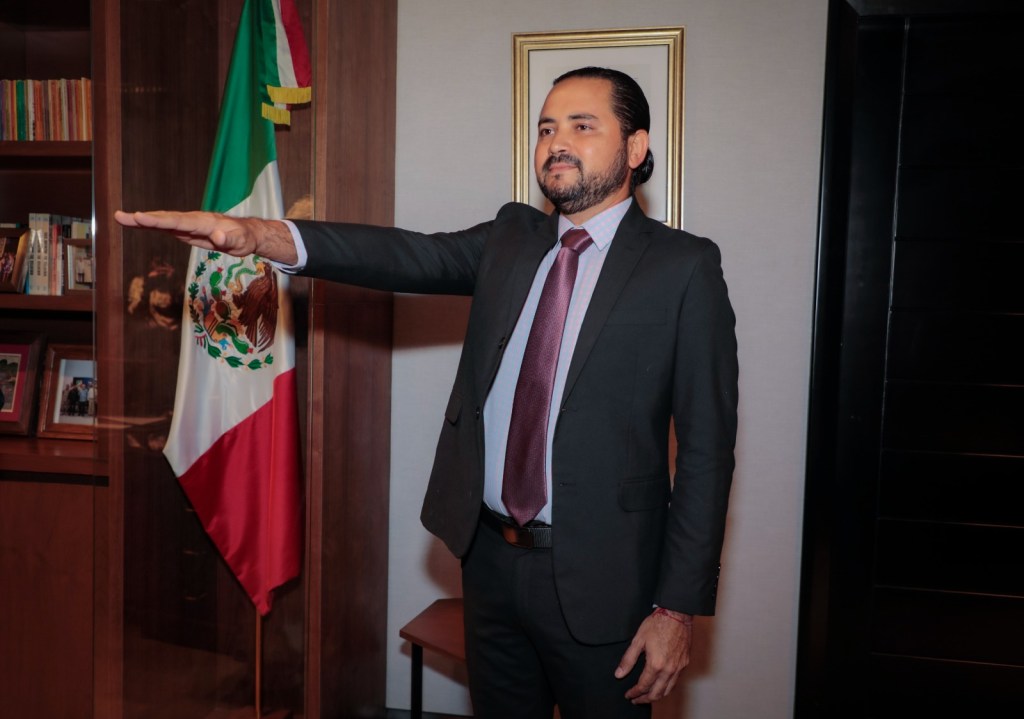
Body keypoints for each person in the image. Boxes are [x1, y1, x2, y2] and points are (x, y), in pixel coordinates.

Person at [116, 66, 738, 719]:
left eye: (582, 126)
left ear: (635, 147)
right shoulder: (511, 237)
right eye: (546, 128)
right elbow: (405, 255)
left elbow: (707, 454)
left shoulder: (683, 267)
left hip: (608, 580)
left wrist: (676, 607)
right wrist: (260, 236)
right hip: (490, 565)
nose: (557, 142)